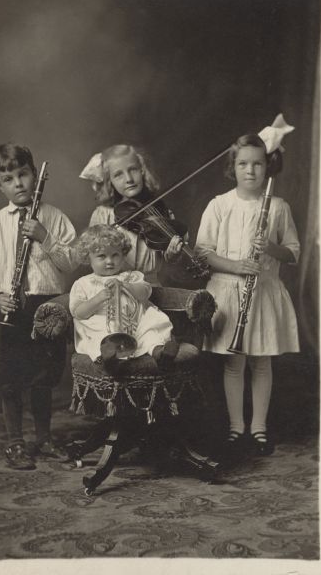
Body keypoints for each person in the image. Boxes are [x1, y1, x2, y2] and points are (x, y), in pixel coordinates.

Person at [195, 127, 300, 459]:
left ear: (266, 167)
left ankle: (259, 429)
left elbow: (293, 251)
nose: (251, 171)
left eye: (257, 164)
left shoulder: (278, 207)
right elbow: (202, 252)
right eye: (243, 164)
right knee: (233, 365)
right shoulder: (219, 205)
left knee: (262, 363)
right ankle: (235, 428)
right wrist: (237, 266)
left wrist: (270, 247)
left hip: (264, 292)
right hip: (228, 291)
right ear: (233, 167)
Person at [0, 143, 77, 470]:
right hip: (10, 308)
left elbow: (72, 262)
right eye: (9, 178)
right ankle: (16, 442)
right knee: (10, 377)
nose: (18, 184)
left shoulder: (54, 218)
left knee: (45, 376)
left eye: (23, 174)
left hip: (47, 308)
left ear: (34, 175)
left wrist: (45, 237)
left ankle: (43, 438)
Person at [69, 224, 198, 376]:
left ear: (123, 254)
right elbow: (78, 312)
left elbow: (146, 292)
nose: (110, 261)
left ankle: (160, 353)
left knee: (150, 324)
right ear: (87, 257)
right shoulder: (83, 283)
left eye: (115, 255)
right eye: (102, 256)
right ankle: (110, 359)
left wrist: (125, 285)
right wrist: (98, 298)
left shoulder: (132, 276)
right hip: (103, 324)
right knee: (99, 332)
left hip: (135, 322)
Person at [79, 145, 185, 287]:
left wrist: (172, 255)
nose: (129, 179)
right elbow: (95, 256)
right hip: (113, 286)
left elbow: (167, 257)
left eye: (133, 170)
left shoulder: (159, 211)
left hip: (151, 287)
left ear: (142, 171)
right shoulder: (103, 214)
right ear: (109, 180)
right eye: (118, 174)